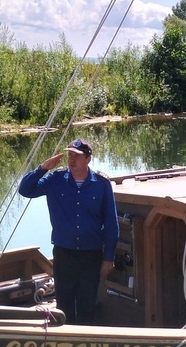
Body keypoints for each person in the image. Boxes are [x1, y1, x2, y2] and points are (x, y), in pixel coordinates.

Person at [18, 138, 120, 324]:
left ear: (88, 159)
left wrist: (109, 257)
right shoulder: (55, 179)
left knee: (86, 303)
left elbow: (111, 223)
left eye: (77, 157)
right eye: (70, 155)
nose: (72, 160)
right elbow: (25, 190)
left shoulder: (102, 183)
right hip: (64, 253)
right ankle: (65, 340)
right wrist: (43, 168)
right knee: (64, 304)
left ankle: (85, 344)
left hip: (91, 254)